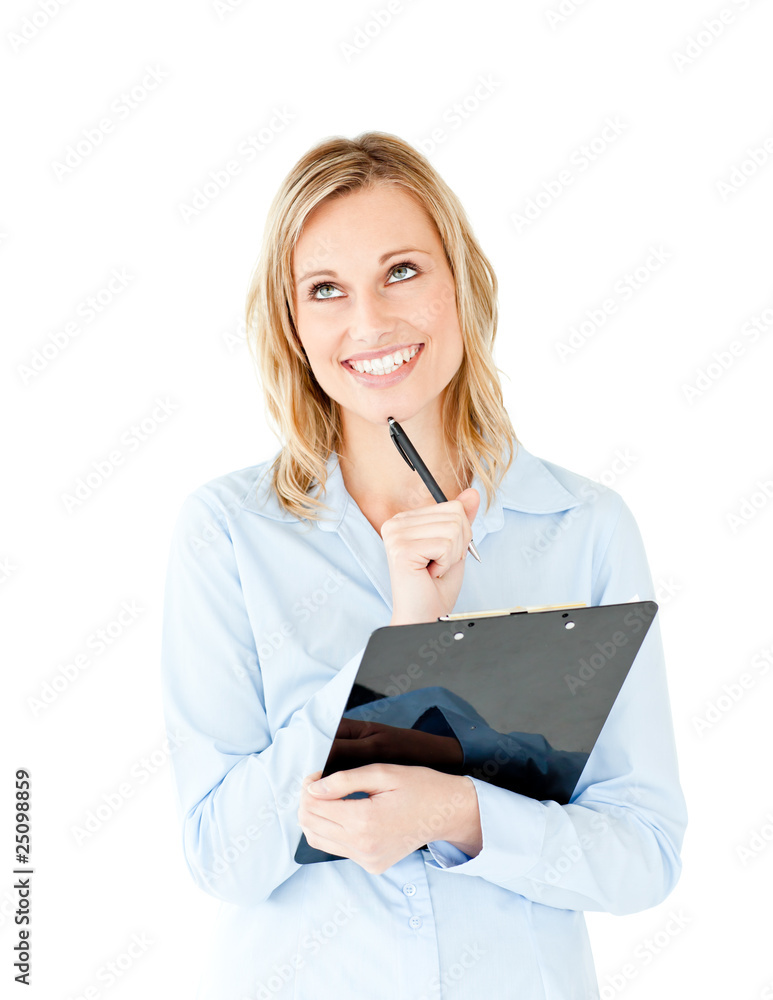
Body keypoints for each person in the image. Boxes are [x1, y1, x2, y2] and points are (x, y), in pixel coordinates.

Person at [160, 131, 687, 1000]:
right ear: (293, 325)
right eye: (325, 290)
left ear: (462, 282)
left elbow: (645, 854)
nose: (369, 323)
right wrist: (396, 645)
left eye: (401, 270)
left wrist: (459, 815)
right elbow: (219, 855)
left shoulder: (584, 528)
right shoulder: (226, 534)